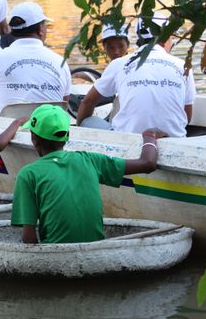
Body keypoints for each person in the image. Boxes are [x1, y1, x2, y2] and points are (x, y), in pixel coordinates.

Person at [11, 104, 166, 244]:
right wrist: (149, 135)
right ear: (67, 137)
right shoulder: (90, 160)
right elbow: (148, 163)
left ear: (34, 139)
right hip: (95, 246)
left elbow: (29, 239)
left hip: (56, 251)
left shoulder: (28, 174)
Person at [77, 13, 196, 137]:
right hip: (174, 139)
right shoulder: (183, 66)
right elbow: (187, 117)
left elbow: (87, 102)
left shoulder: (119, 64)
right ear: (165, 38)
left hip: (127, 140)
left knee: (88, 121)